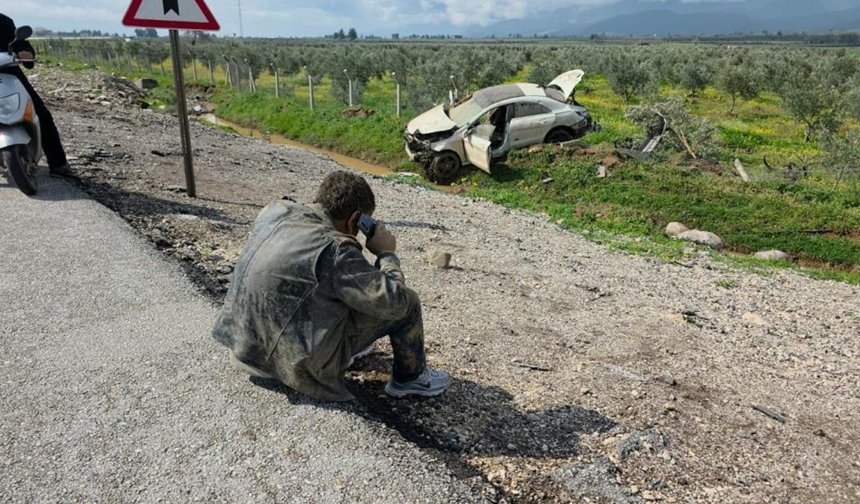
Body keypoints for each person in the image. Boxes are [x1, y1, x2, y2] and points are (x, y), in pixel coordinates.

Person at [212, 171, 450, 401]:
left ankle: (346, 348)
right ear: (355, 220)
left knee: (344, 287)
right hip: (294, 369)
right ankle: (411, 380)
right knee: (408, 302)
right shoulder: (336, 249)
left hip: (243, 348)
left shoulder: (274, 211)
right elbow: (396, 302)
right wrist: (386, 254)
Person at [0, 14, 73, 178]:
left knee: (40, 114)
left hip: (8, 74)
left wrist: (25, 52)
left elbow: (18, 43)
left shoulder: (3, 22)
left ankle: (58, 164)